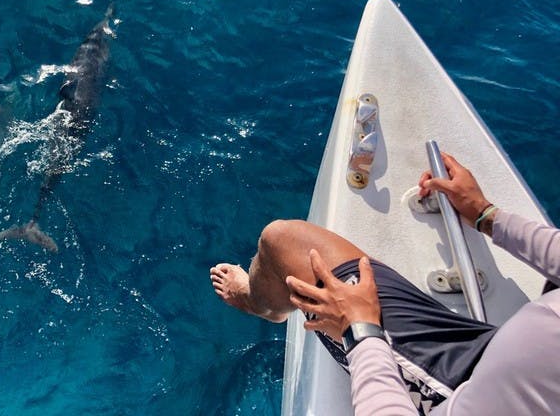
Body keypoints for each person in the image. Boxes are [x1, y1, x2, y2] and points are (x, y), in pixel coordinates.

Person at [210, 153, 560, 415]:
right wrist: (486, 216)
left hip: (456, 395)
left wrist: (361, 330)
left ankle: (260, 303)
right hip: (495, 357)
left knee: (282, 243)